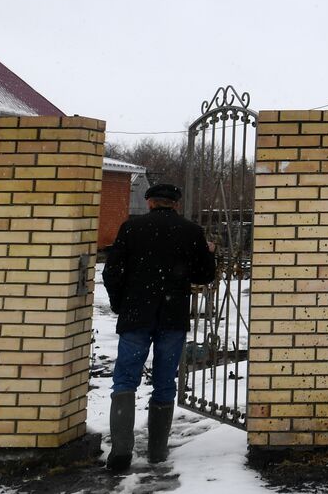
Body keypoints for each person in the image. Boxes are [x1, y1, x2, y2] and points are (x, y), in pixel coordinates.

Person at [101, 182, 216, 471]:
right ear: (175, 204)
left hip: (136, 316)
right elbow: (205, 275)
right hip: (172, 316)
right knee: (165, 382)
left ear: (150, 202)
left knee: (125, 380)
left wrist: (120, 304)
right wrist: (207, 252)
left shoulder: (131, 228)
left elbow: (111, 272)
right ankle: (157, 451)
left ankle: (121, 451)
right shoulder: (191, 231)